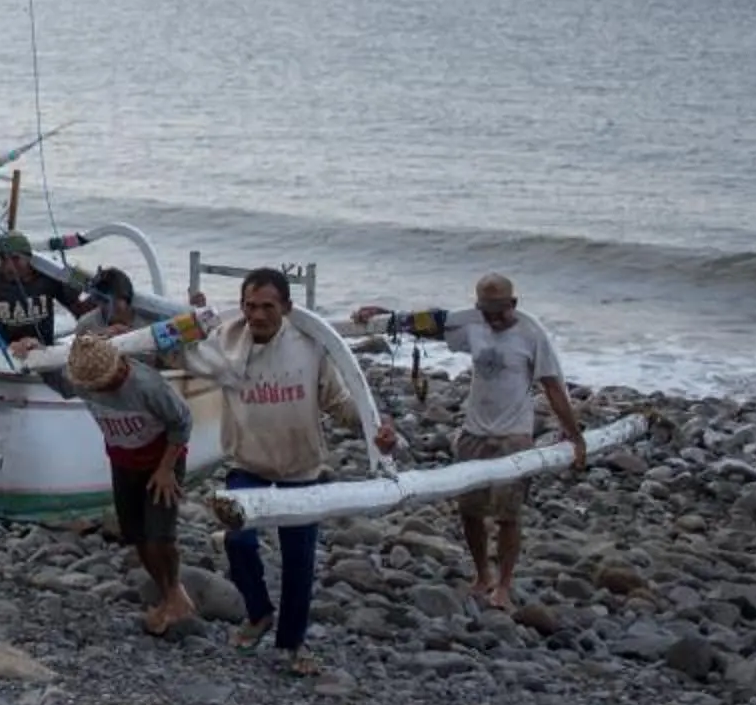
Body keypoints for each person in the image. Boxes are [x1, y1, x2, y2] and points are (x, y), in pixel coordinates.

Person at [352, 274, 586, 611]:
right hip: (475, 432)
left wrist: (575, 436)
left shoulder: (531, 334)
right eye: (486, 310)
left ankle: (504, 585)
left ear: (514, 304)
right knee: (471, 512)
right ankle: (482, 576)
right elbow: (425, 323)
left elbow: (553, 387)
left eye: (499, 311)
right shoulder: (472, 323)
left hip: (514, 437)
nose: (492, 318)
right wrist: (381, 316)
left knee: (508, 516)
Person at [211, 266, 397, 674]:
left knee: (299, 562)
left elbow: (338, 403)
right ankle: (258, 612)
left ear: (288, 308)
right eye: (249, 306)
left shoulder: (309, 346)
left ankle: (292, 645)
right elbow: (176, 350)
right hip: (248, 463)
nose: (257, 316)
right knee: (238, 543)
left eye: (267, 307)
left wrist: (374, 430)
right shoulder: (224, 343)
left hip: (301, 467)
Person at [67, 332, 194, 634]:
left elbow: (182, 421)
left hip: (162, 459)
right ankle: (167, 594)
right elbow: (50, 376)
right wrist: (28, 350)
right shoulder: (80, 378)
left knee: (160, 536)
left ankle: (175, 590)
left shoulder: (147, 385)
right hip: (124, 462)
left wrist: (166, 469)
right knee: (136, 534)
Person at [0, 232, 89, 348]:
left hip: (44, 350)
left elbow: (77, 308)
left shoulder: (48, 279)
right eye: (4, 259)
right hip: (5, 353)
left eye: (15, 259)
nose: (9, 266)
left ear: (29, 258)